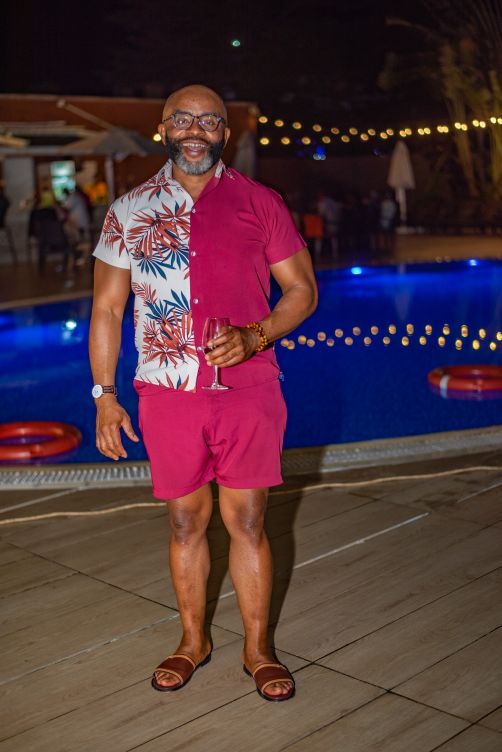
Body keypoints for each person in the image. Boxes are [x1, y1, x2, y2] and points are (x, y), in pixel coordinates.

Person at [89, 85, 317, 702]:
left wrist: (255, 335)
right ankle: (194, 640)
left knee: (248, 520)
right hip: (167, 393)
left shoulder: (261, 202)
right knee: (186, 521)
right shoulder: (128, 210)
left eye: (209, 121)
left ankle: (258, 649)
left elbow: (302, 291)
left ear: (225, 134)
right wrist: (104, 394)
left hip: (247, 388)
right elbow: (107, 309)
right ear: (164, 128)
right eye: (184, 120)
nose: (196, 130)